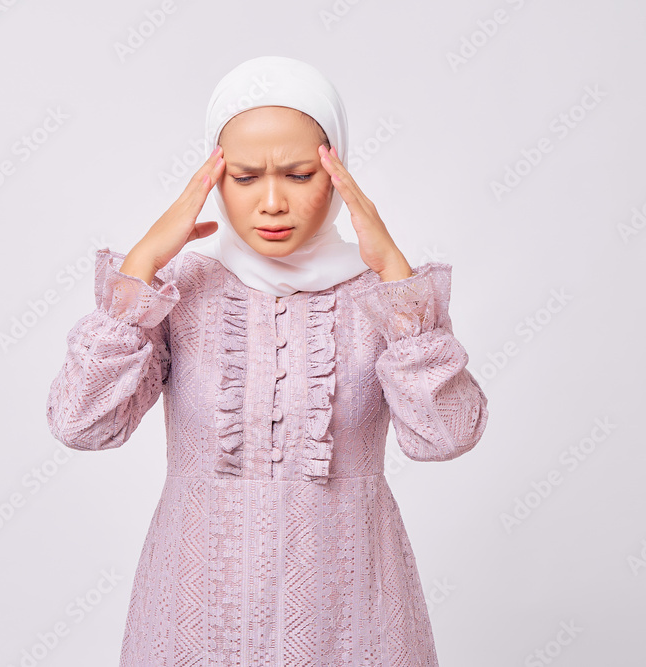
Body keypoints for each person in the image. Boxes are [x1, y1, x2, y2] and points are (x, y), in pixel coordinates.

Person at [45, 55, 489, 667]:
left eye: (300, 174)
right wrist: (140, 267)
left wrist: (394, 274)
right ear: (213, 178)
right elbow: (81, 423)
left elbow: (446, 435)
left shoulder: (386, 299)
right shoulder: (176, 292)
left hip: (352, 610)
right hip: (196, 613)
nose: (273, 202)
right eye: (246, 176)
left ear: (337, 172)